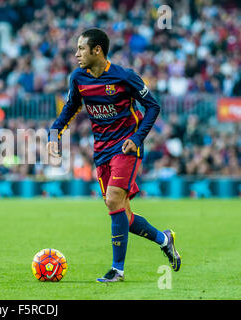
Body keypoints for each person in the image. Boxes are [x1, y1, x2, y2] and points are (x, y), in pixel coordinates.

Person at [47, 28, 181, 282]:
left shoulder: (124, 77)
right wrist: (55, 132)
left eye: (81, 49)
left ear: (97, 50)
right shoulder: (78, 78)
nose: (76, 54)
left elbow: (153, 106)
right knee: (123, 214)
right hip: (101, 151)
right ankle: (165, 240)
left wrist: (137, 138)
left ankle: (117, 270)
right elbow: (71, 107)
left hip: (126, 147)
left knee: (112, 201)